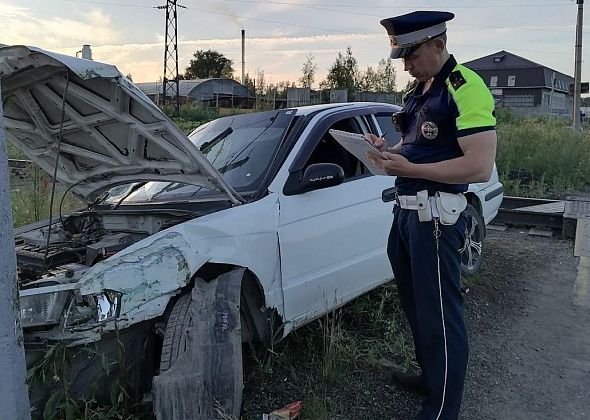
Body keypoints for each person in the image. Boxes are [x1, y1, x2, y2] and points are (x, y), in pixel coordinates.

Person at [365, 11, 497, 420]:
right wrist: (388, 152)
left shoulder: (464, 88)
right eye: (401, 56)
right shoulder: (420, 90)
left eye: (412, 54)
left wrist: (414, 169)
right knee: (418, 307)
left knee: (441, 315)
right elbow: (418, 147)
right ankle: (430, 378)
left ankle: (441, 410)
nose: (405, 64)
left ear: (438, 44)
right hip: (407, 216)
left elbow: (479, 167)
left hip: (437, 218)